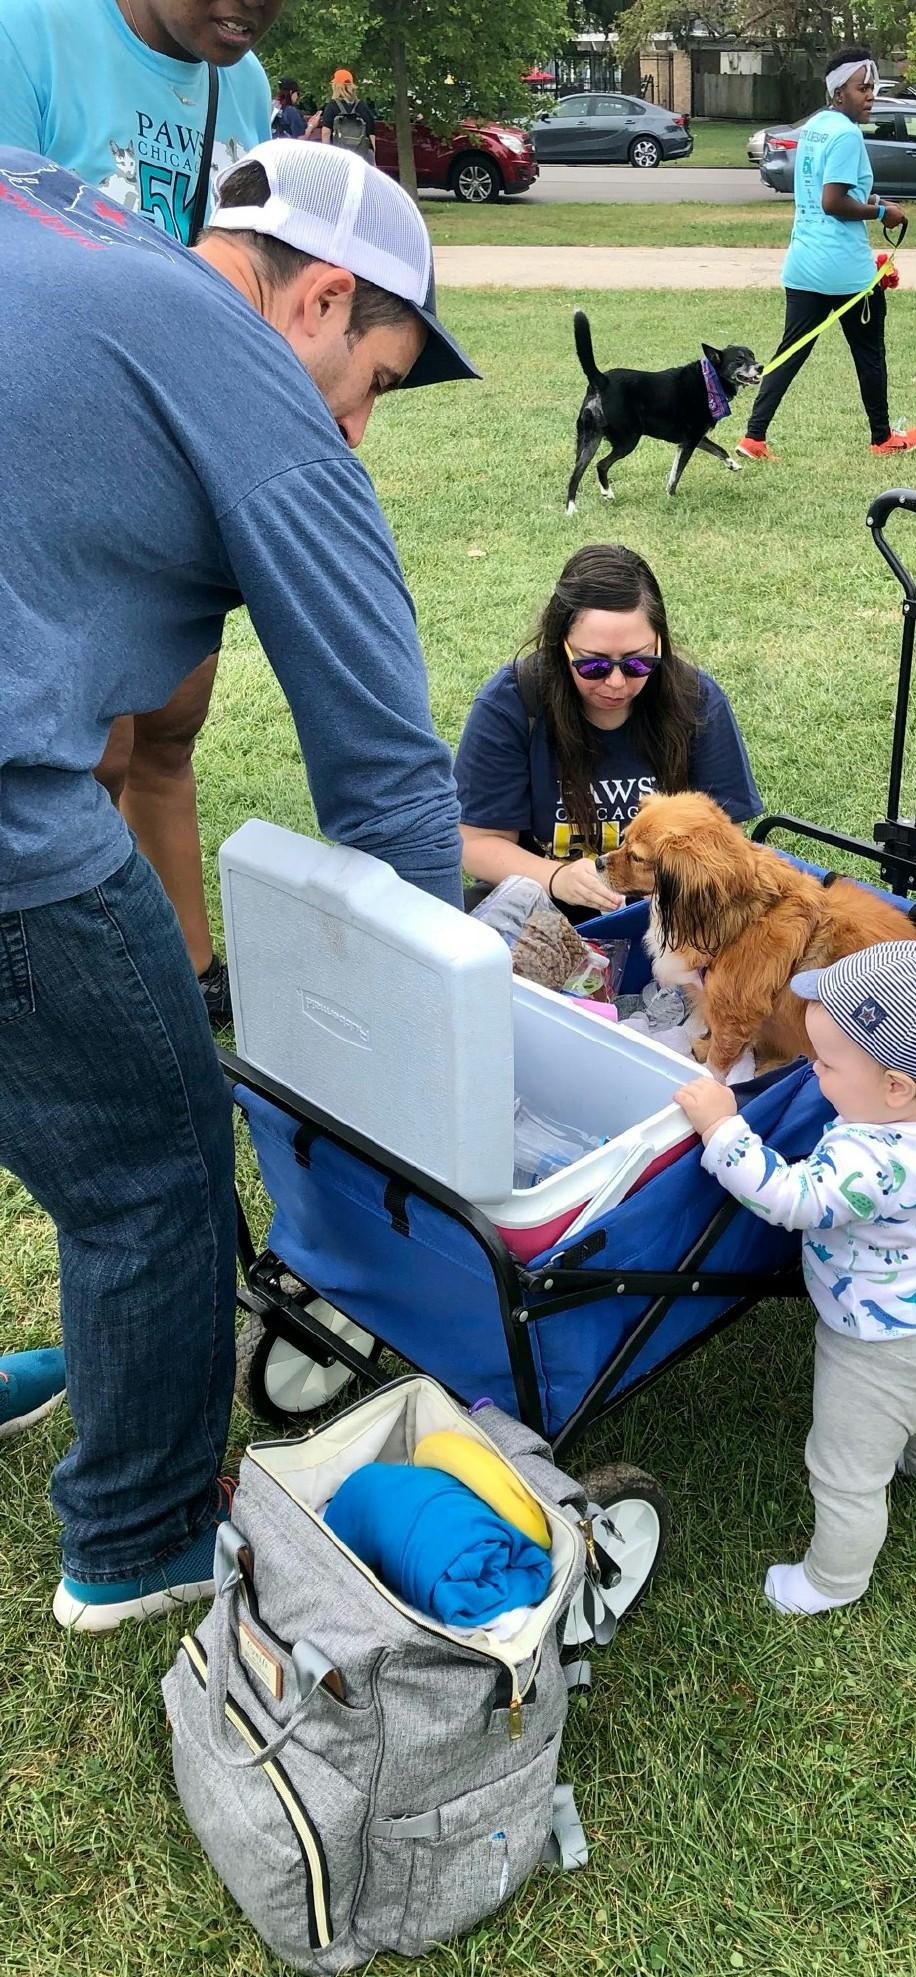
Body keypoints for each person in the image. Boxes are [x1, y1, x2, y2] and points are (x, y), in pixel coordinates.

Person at [0, 137, 479, 1629]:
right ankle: (139, 1537)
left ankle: (83, 1377)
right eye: (380, 384)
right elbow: (391, 780)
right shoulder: (268, 397)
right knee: (157, 1155)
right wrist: (451, 1041)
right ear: (320, 301)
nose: (361, 431)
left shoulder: (67, 221)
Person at [0, 0, 280, 1027]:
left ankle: (187, 968)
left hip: (179, 452)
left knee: (167, 729)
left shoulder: (238, 79)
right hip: (55, 465)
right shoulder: (26, 34)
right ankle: (84, 996)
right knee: (83, 754)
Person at [675, 943, 916, 1613]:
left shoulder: (868, 1157)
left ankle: (832, 1581)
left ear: (896, 1088)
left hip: (873, 1349)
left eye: (825, 1063)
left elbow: (792, 1199)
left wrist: (722, 1130)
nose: (812, 1068)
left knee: (846, 1473)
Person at [454, 545, 762, 921]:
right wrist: (558, 877)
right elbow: (477, 842)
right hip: (542, 904)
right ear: (560, 647)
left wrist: (672, 892)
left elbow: (725, 835)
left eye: (638, 662)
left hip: (666, 915)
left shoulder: (694, 700)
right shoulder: (513, 702)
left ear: (660, 643)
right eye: (593, 665)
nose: (617, 682)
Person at [736, 48, 916, 464]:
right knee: (869, 352)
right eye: (861, 88)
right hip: (845, 269)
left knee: (791, 351)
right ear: (839, 92)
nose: (870, 95)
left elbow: (833, 190)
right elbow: (833, 201)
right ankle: (882, 437)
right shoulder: (846, 134)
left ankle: (753, 437)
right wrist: (880, 212)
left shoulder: (817, 127)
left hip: (803, 263)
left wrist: (872, 199)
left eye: (872, 86)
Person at [319, 68, 378, 160]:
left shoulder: (332, 106)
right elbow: (371, 134)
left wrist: (326, 156)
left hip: (338, 157)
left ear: (336, 86)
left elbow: (326, 132)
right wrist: (373, 158)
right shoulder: (363, 107)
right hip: (361, 157)